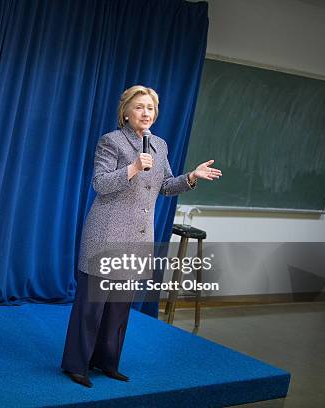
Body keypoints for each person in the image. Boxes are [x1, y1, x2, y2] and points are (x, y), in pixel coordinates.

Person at [61, 85, 222, 388]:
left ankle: (106, 362)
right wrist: (133, 168)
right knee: (91, 307)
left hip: (137, 238)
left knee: (120, 308)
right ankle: (76, 364)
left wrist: (191, 178)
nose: (146, 113)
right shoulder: (112, 141)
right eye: (139, 107)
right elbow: (100, 183)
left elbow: (164, 186)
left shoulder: (159, 145)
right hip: (106, 234)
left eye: (150, 108)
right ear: (125, 112)